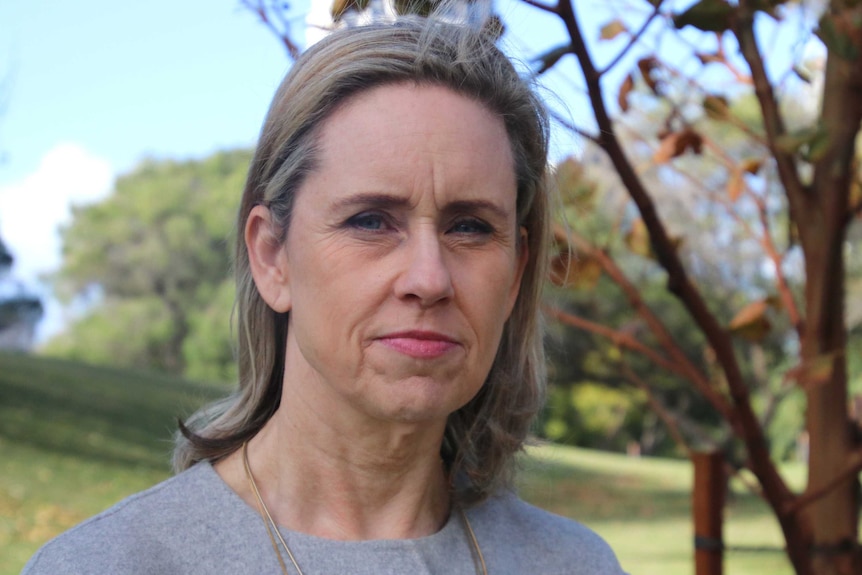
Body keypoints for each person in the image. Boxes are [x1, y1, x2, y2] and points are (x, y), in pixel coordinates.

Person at [23, 14, 626, 575]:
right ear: (272, 256)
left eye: (469, 227)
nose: (429, 278)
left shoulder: (574, 564)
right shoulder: (110, 563)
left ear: (516, 274)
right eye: (370, 221)